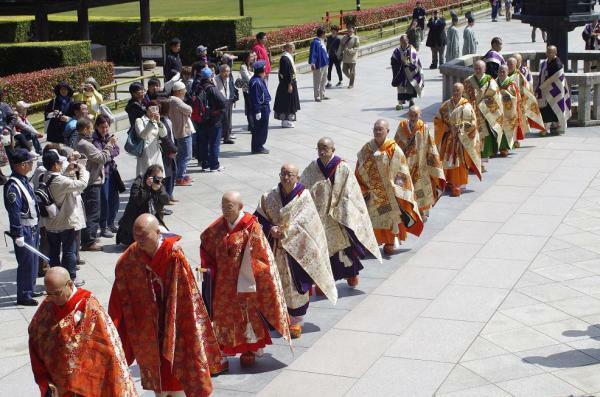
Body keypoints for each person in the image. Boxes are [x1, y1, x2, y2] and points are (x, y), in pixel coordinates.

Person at [109, 213, 224, 396]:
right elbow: (120, 293)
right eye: (135, 236)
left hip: (174, 324)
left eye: (144, 236)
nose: (139, 241)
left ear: (157, 232)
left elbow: (186, 295)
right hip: (147, 331)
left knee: (176, 377)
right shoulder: (130, 258)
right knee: (158, 382)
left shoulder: (173, 255)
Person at [200, 191, 291, 366]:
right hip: (223, 283)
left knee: (246, 316)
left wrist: (252, 271)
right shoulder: (218, 226)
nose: (225, 210)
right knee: (223, 315)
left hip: (245, 280)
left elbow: (262, 255)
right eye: (223, 206)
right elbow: (206, 242)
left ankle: (249, 348)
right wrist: (209, 267)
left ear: (240, 207)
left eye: (229, 206)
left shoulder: (251, 226)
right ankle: (222, 350)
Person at [255, 164, 337, 338]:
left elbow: (308, 223)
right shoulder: (269, 196)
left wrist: (285, 231)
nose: (286, 177)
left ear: (297, 177)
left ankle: (296, 321)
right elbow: (259, 218)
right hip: (274, 249)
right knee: (273, 283)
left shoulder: (304, 196)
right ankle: (277, 315)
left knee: (295, 286)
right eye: (283, 174)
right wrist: (270, 228)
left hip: (296, 250)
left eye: (290, 174)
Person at [29, 267, 137, 397]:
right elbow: (35, 332)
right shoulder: (48, 304)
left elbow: (106, 348)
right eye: (48, 294)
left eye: (57, 293)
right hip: (57, 384)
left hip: (85, 384)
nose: (52, 298)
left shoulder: (89, 306)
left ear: (69, 285)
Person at [300, 138, 382, 288]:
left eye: (325, 147)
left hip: (337, 216)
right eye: (319, 148)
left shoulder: (342, 167)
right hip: (319, 217)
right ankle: (323, 282)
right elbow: (302, 188)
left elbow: (351, 191)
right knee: (321, 250)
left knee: (343, 250)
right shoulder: (312, 168)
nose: (322, 151)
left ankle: (352, 274)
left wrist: (341, 209)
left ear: (333, 150)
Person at [355, 120, 423, 256]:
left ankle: (390, 242)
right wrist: (362, 187)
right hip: (372, 191)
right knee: (372, 218)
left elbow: (402, 171)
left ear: (388, 131)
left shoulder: (394, 149)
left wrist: (396, 187)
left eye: (381, 129)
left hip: (389, 192)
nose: (378, 131)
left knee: (390, 218)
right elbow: (359, 168)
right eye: (375, 129)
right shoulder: (367, 148)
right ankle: (373, 242)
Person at [40, 150, 88, 287]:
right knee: (69, 252)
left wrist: (67, 171)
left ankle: (55, 279)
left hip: (51, 223)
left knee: (54, 253)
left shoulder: (44, 176)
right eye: (60, 163)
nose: (62, 164)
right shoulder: (59, 180)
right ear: (55, 165)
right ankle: (71, 278)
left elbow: (61, 183)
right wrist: (82, 168)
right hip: (65, 223)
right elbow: (82, 184)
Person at [3, 149, 41, 306]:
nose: (31, 164)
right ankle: (24, 295)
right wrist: (17, 233)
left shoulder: (24, 180)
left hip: (33, 226)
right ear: (21, 165)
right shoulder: (13, 186)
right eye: (29, 162)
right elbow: (14, 212)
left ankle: (29, 289)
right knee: (26, 263)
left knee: (33, 261)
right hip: (24, 229)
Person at [394, 106, 445, 220]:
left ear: (420, 115)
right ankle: (407, 212)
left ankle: (422, 212)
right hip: (404, 165)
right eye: (411, 115)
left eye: (415, 115)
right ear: (408, 114)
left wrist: (434, 161)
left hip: (419, 164)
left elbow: (430, 145)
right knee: (405, 188)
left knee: (420, 189)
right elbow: (396, 142)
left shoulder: (424, 127)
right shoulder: (402, 126)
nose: (413, 118)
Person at [75, 118, 117, 251]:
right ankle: (89, 242)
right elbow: (102, 158)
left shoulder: (77, 141)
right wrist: (109, 145)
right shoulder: (85, 144)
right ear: (86, 129)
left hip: (87, 180)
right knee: (93, 212)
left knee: (89, 211)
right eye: (91, 128)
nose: (92, 130)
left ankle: (87, 238)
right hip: (92, 182)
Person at [433, 82, 482, 197]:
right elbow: (437, 120)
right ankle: (447, 182)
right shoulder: (445, 105)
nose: (455, 93)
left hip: (462, 139)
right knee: (446, 160)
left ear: (462, 92)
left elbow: (473, 123)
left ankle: (457, 184)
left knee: (460, 162)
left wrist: (461, 128)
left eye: (458, 91)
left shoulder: (467, 106)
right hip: (448, 138)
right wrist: (445, 127)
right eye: (454, 90)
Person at [115, 165, 170, 246]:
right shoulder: (138, 184)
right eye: (157, 178)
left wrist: (159, 191)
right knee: (145, 244)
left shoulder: (159, 184)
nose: (159, 180)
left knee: (167, 241)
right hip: (136, 224)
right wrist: (147, 188)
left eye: (161, 178)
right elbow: (138, 201)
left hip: (152, 221)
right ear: (149, 176)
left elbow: (166, 200)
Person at [463, 60, 504, 161]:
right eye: (476, 68)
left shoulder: (490, 80)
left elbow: (495, 95)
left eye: (479, 68)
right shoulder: (468, 80)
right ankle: (475, 155)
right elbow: (464, 95)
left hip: (486, 111)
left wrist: (484, 104)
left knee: (487, 131)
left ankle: (486, 153)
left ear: (484, 69)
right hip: (473, 110)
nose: (477, 70)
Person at [192, 67, 227, 172]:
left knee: (203, 143)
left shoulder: (198, 87)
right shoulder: (212, 88)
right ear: (210, 76)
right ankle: (214, 165)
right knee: (214, 144)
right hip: (213, 121)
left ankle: (205, 164)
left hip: (201, 120)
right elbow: (223, 102)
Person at [92, 115, 121, 238]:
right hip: (103, 174)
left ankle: (111, 223)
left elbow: (117, 150)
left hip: (112, 172)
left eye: (107, 127)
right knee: (105, 201)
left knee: (115, 200)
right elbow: (101, 157)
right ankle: (103, 227)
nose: (105, 130)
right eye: (102, 127)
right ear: (97, 127)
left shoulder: (109, 137)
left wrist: (109, 152)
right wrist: (109, 151)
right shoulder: (94, 140)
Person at [535, 45, 572, 135]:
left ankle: (555, 128)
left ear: (555, 53)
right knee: (546, 111)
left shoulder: (557, 63)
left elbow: (557, 78)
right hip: (545, 92)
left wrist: (544, 85)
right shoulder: (544, 63)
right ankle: (546, 128)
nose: (549, 54)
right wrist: (538, 87)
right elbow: (542, 76)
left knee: (555, 109)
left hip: (555, 92)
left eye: (551, 52)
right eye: (547, 52)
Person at [507, 56, 545, 139]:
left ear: (516, 65)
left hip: (516, 103)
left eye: (512, 64)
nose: (509, 66)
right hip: (505, 104)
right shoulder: (503, 74)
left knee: (516, 122)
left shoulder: (519, 76)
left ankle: (515, 139)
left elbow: (526, 88)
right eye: (508, 64)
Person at [169, 81, 195, 184]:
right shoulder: (176, 100)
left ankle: (181, 174)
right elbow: (189, 109)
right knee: (186, 155)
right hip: (183, 132)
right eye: (184, 90)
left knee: (181, 155)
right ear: (179, 91)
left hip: (179, 130)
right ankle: (180, 177)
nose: (185, 92)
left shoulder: (172, 99)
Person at [391, 34, 424, 110]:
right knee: (401, 87)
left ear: (408, 41)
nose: (404, 42)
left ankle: (411, 100)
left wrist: (408, 63)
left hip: (410, 72)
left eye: (405, 41)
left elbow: (415, 60)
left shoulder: (412, 49)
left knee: (410, 86)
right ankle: (400, 102)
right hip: (401, 72)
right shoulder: (397, 51)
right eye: (402, 41)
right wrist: (400, 62)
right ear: (400, 42)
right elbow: (393, 60)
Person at [135, 101, 166, 177]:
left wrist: (158, 121)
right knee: (147, 176)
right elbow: (143, 135)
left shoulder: (156, 120)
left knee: (158, 176)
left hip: (156, 151)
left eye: (156, 108)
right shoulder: (139, 120)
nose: (154, 110)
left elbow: (164, 134)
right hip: (145, 152)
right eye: (152, 108)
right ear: (147, 109)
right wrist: (151, 121)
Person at [274, 43, 301, 128]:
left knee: (289, 102)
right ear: (289, 48)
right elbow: (287, 73)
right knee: (287, 102)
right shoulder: (285, 59)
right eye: (293, 48)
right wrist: (289, 84)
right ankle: (285, 121)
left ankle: (288, 120)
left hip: (289, 82)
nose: (294, 49)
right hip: (287, 84)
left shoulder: (287, 57)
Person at [249, 60, 271, 154]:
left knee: (262, 128)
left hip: (264, 107)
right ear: (262, 71)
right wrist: (258, 111)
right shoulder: (256, 82)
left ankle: (259, 146)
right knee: (260, 129)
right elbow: (255, 98)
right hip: (261, 108)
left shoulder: (258, 80)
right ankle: (258, 147)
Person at [497, 65, 520, 152]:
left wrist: (506, 94)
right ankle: (498, 146)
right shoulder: (494, 82)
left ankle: (505, 148)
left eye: (504, 72)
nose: (502, 73)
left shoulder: (511, 83)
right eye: (500, 71)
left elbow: (515, 96)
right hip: (498, 109)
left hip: (509, 110)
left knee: (508, 128)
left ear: (507, 72)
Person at [159, 100, 178, 203]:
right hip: (167, 151)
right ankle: (166, 196)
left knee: (173, 173)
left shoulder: (167, 118)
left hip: (171, 149)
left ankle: (170, 194)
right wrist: (172, 149)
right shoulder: (161, 121)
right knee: (168, 175)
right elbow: (165, 138)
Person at [214, 64, 238, 144]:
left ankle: (226, 137)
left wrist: (233, 97)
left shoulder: (229, 78)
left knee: (228, 120)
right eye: (225, 72)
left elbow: (232, 87)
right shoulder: (215, 79)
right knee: (220, 120)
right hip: (220, 102)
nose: (227, 73)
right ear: (220, 72)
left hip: (228, 101)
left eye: (228, 71)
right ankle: (219, 136)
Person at [309, 28, 330, 102]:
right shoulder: (315, 43)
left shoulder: (322, 41)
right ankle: (317, 96)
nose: (325, 35)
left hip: (325, 63)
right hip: (319, 64)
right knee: (317, 81)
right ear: (322, 34)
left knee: (324, 80)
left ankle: (322, 94)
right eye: (325, 34)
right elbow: (313, 53)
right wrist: (312, 63)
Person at [240, 51, 256, 131]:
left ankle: (252, 125)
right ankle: (251, 126)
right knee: (249, 107)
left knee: (253, 107)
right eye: (251, 56)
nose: (253, 58)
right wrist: (255, 77)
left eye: (253, 56)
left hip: (254, 89)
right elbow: (248, 78)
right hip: (247, 89)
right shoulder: (243, 66)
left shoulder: (252, 65)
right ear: (247, 57)